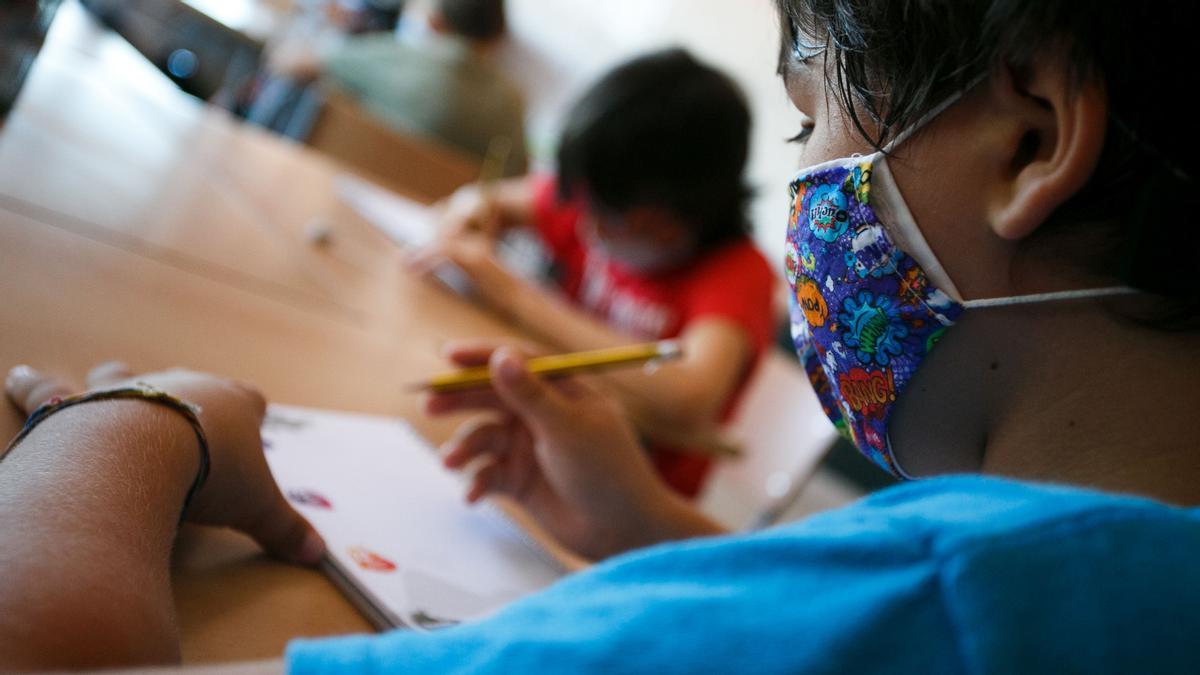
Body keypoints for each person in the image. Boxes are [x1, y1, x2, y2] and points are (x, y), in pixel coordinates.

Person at [3, 0, 1200, 672]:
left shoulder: (930, 608)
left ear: (1033, 141)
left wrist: (143, 419)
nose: (806, 197)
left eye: (812, 127)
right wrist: (652, 531)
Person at [414, 48, 776, 498]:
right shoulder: (594, 198)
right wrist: (471, 214)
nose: (584, 223)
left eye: (606, 214)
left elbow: (689, 396)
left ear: (672, 217)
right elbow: (484, 203)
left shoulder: (737, 273)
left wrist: (513, 294)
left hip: (625, 502)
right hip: (527, 452)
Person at [268, 0, 526, 174]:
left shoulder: (399, 56)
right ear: (498, 34)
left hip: (339, 193)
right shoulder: (514, 105)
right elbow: (514, 177)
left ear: (435, 20)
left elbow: (287, 62)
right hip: (437, 238)